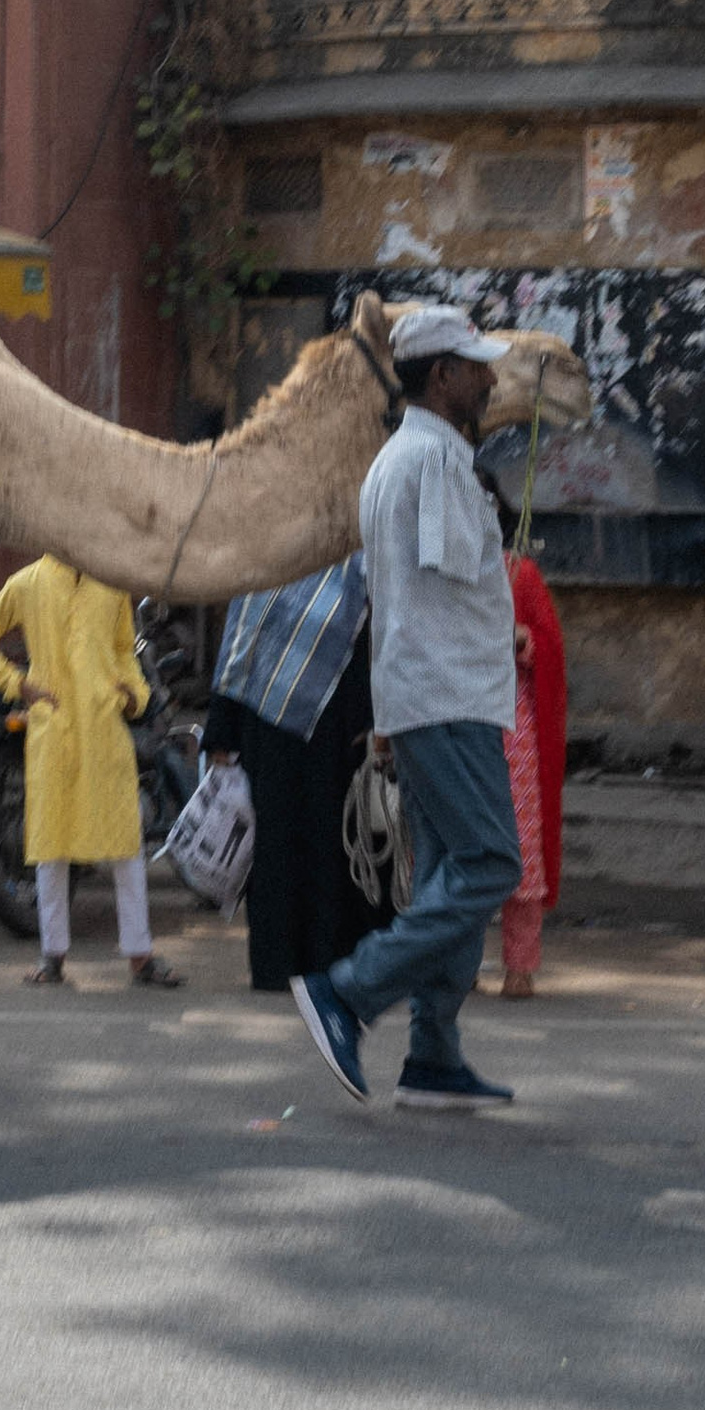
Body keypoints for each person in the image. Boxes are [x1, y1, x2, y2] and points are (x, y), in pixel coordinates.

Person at [292, 304, 522, 1109]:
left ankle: (433, 1051)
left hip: (431, 696)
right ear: (443, 376)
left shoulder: (412, 459)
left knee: (447, 877)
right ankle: (349, 993)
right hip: (448, 697)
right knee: (492, 863)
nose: (491, 379)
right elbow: (451, 593)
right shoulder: (431, 462)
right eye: (477, 366)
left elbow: (418, 596)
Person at [0, 554, 180, 989]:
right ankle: (52, 956)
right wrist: (17, 684)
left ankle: (141, 955)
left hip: (105, 731)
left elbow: (124, 650)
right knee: (51, 848)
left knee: (125, 844)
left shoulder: (113, 583)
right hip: (55, 731)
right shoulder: (27, 583)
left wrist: (133, 695)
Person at [215, 557, 381, 992]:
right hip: (266, 736)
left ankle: (325, 962)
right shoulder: (263, 566)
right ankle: (275, 964)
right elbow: (238, 644)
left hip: (334, 734)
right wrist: (221, 734)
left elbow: (365, 644)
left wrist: (369, 723)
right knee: (272, 850)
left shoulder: (354, 567)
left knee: (330, 848)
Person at [499, 553, 568, 995]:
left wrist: (523, 639)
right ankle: (458, 965)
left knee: (521, 846)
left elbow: (550, 642)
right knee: (459, 850)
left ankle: (520, 967)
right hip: (459, 718)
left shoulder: (520, 574)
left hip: (512, 728)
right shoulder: (438, 567)